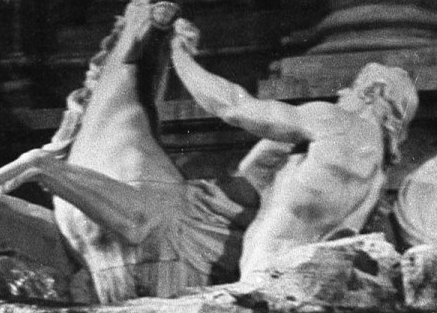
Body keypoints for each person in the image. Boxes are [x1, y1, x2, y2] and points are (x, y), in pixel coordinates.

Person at [166, 19, 419, 281]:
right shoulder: (377, 179)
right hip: (305, 280)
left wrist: (179, 55)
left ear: (373, 91)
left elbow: (234, 108)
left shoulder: (333, 120)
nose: (343, 93)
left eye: (353, 88)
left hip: (265, 271)